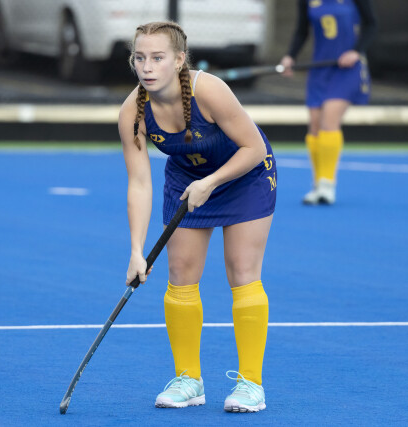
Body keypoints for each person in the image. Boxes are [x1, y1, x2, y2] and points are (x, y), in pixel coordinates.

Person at [118, 21, 277, 413]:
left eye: (158, 57)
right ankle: (189, 379)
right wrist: (136, 251)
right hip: (187, 179)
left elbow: (254, 148)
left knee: (242, 270)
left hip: (245, 174)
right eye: (140, 57)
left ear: (179, 60)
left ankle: (251, 384)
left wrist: (212, 181)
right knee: (180, 273)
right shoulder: (132, 111)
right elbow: (139, 183)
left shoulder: (209, 90)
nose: (147, 67)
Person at [280, 0, 377, 205]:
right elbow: (302, 30)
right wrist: (290, 56)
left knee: (329, 121)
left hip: (348, 69)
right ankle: (318, 186)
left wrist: (356, 51)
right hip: (320, 68)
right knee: (315, 126)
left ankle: (327, 185)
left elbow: (371, 24)